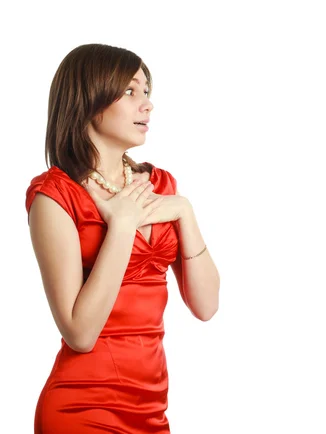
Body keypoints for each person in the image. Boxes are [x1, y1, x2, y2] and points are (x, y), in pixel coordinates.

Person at [26, 43, 220, 433]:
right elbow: (79, 333)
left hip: (151, 408)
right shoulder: (55, 196)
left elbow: (206, 305)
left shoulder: (162, 185)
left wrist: (185, 210)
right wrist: (122, 226)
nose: (146, 104)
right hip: (82, 409)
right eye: (130, 91)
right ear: (88, 98)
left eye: (147, 92)